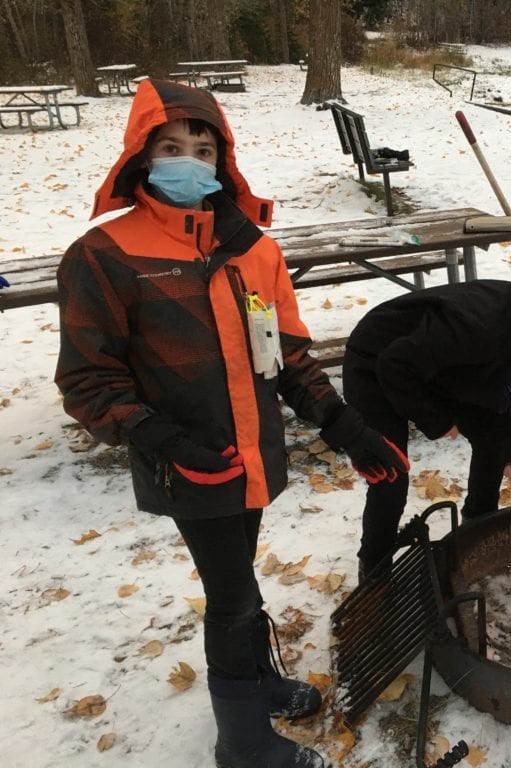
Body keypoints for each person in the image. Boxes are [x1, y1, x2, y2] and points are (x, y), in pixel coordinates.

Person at [54, 80, 409, 768]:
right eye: (171, 147)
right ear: (142, 156)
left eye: (203, 147)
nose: (189, 160)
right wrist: (161, 441)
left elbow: (286, 358)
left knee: (238, 580)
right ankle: (243, 742)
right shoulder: (107, 255)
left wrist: (345, 427)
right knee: (231, 596)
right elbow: (88, 381)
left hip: (253, 455)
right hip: (188, 460)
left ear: (223, 160)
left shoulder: (255, 249)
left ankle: (259, 684)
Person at [342, 271, 511, 574]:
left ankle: (478, 529)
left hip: (434, 365)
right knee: (390, 471)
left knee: (493, 443)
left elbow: (498, 397)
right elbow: (395, 366)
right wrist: (437, 421)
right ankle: (375, 567)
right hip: (375, 362)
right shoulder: (478, 324)